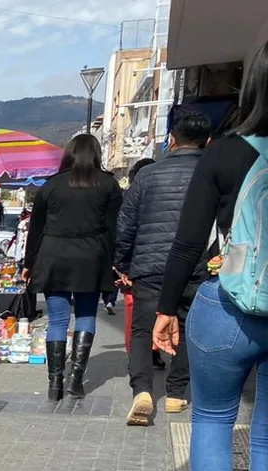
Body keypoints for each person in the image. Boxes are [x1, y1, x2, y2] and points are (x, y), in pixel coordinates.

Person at [154, 40, 268, 471]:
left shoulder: (223, 154)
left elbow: (186, 245)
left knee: (216, 416)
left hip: (226, 306)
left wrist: (165, 309)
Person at [114, 109, 214, 426]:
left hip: (150, 266)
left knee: (143, 330)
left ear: (171, 140)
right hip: (196, 267)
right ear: (208, 141)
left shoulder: (147, 175)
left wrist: (123, 262)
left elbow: (126, 225)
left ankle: (142, 391)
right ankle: (175, 393)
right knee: (186, 328)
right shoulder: (214, 175)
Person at [24, 133, 124, 401]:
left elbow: (36, 229)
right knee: (86, 315)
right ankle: (77, 379)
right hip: (91, 257)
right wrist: (118, 262)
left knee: (57, 320)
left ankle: (54, 383)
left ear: (68, 154)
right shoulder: (108, 185)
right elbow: (116, 229)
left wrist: (28, 263)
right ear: (96, 154)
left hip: (53, 255)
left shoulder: (50, 186)